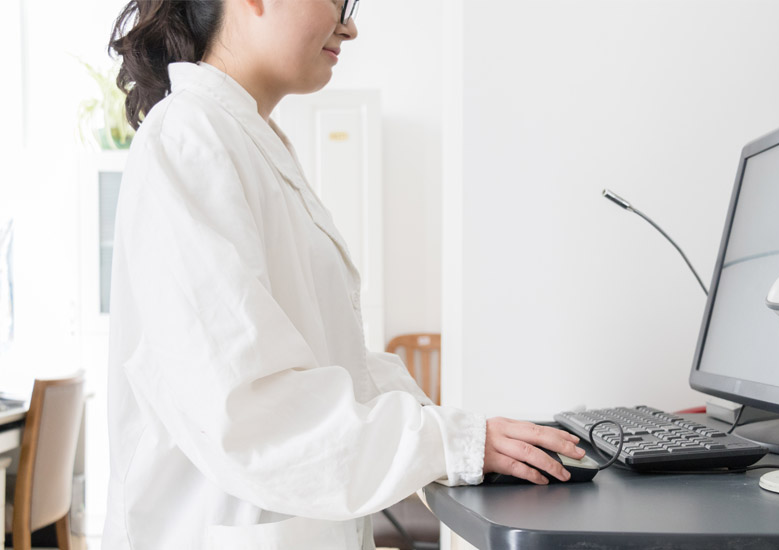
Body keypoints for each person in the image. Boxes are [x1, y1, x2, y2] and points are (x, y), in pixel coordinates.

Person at [104, 1, 585, 548]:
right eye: (338, 1)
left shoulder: (243, 139)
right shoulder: (188, 138)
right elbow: (248, 416)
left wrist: (465, 435)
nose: (350, 27)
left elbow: (336, 363)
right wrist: (450, 442)